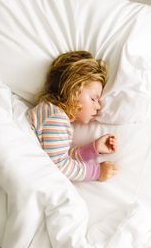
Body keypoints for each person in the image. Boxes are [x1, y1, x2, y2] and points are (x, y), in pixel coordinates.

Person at [27, 50, 118, 182]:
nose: (98, 106)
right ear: (73, 90)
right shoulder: (56, 118)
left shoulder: (51, 114)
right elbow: (59, 166)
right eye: (93, 99)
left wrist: (93, 148)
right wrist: (97, 172)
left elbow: (59, 157)